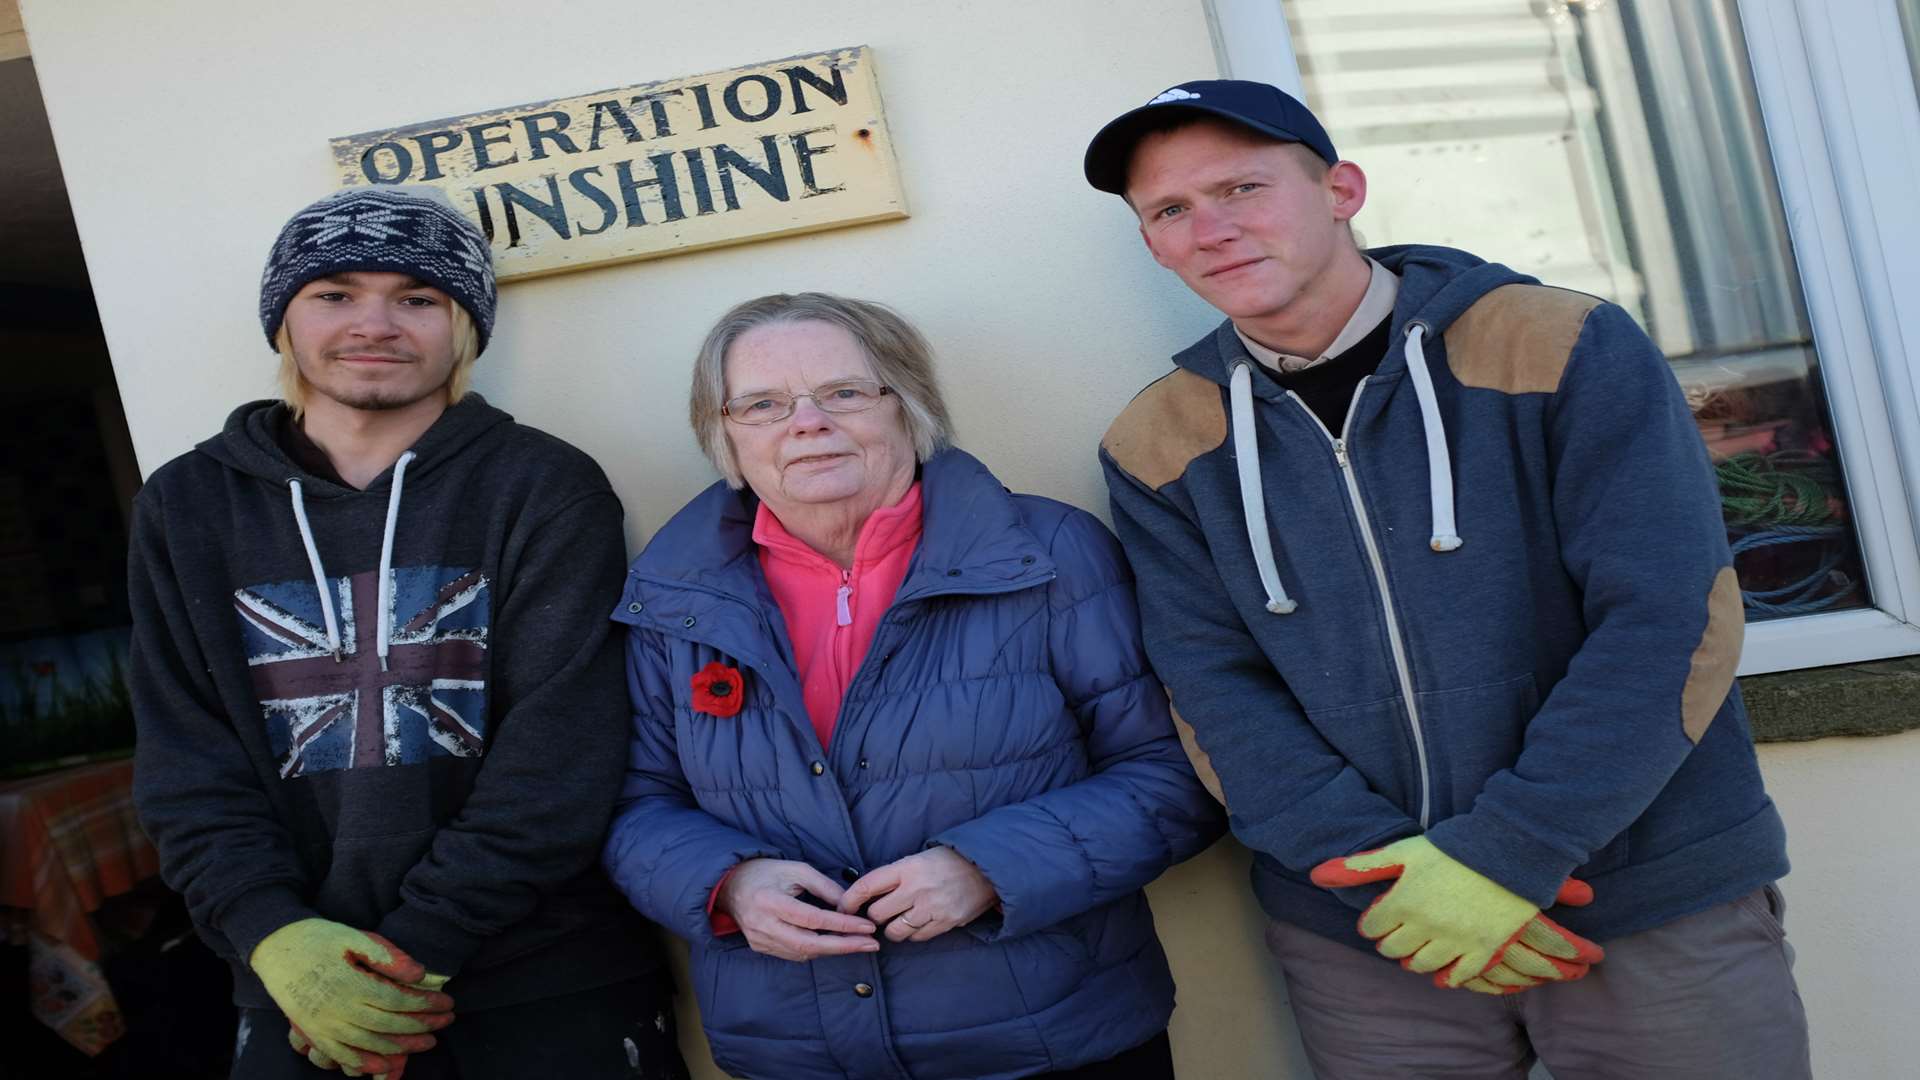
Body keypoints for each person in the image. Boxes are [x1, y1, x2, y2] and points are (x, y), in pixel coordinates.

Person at [1084, 80, 1810, 1077]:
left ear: (1341, 188)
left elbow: (1670, 617)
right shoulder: (1159, 440)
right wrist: (1391, 887)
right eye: (1169, 211)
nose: (1210, 229)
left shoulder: (1555, 343)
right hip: (1368, 938)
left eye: (1242, 187)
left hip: (1641, 898)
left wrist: (1504, 857)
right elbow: (1212, 692)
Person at [128, 186, 686, 1079]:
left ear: (463, 327)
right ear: (285, 319)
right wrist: (269, 931)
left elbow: (562, 753)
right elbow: (184, 754)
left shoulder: (543, 486)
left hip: (543, 975)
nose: (375, 323)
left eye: (418, 298)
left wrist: (420, 944)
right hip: (295, 990)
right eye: (335, 293)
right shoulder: (188, 505)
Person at [601, 292, 1223, 1080]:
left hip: (1051, 1038)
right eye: (761, 404)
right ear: (722, 431)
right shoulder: (670, 594)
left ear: (910, 405)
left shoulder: (1051, 554)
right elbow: (632, 804)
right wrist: (728, 884)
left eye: (845, 393)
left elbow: (1179, 777)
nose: (807, 423)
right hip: (796, 1052)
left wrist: (989, 869)